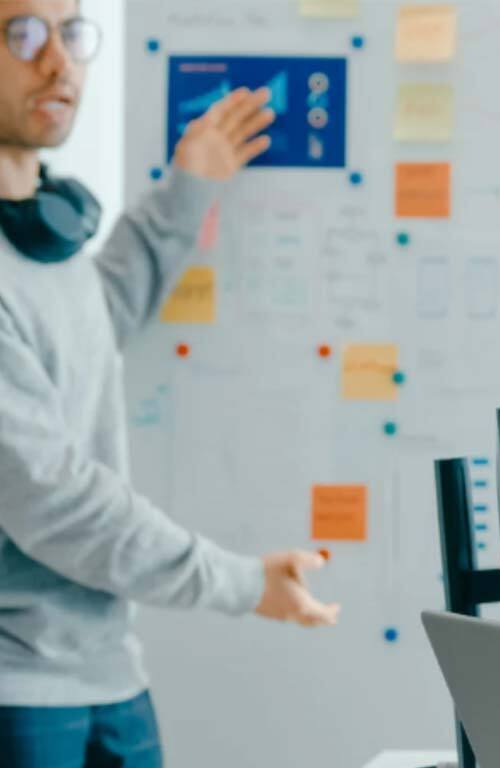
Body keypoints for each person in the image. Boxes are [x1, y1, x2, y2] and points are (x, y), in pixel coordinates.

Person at [0, 1, 341, 765]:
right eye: (21, 34)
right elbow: (51, 498)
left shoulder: (40, 240)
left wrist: (188, 188)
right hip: (19, 699)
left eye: (70, 32)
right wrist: (240, 582)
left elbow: (94, 320)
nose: (57, 61)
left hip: (111, 675)